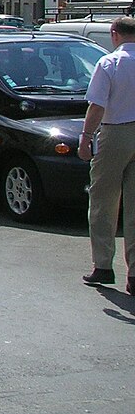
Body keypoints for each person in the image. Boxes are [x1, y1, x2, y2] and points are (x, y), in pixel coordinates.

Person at [78, 16, 135, 294]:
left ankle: (103, 265)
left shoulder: (110, 63)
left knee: (104, 200)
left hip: (116, 132)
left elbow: (97, 106)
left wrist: (86, 138)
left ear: (115, 34)